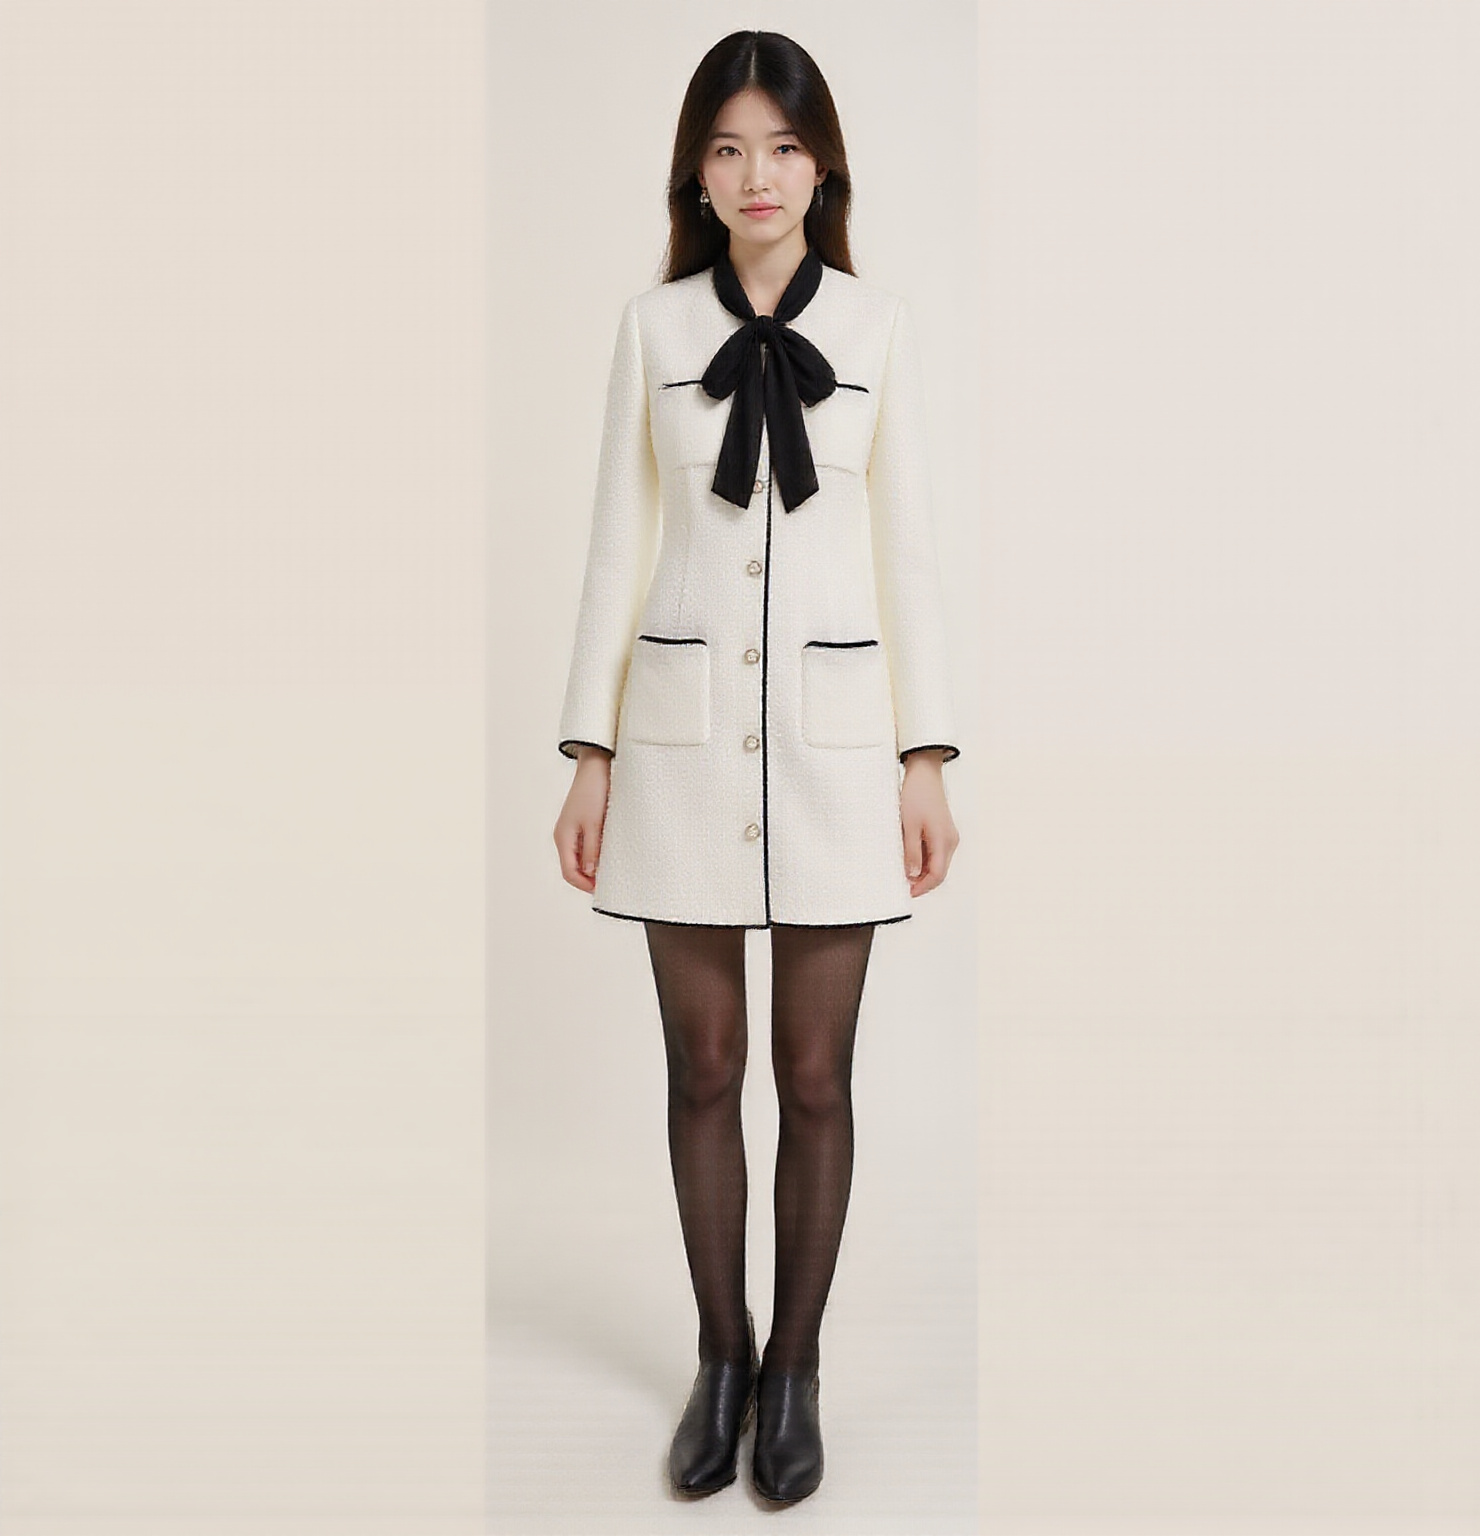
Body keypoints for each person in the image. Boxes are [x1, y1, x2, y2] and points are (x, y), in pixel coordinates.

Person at [551, 29, 961, 1505]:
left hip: (839, 753)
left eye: (781, 147)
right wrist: (589, 749)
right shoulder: (652, 329)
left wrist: (926, 754)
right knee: (704, 1066)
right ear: (697, 174)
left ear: (823, 164)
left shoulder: (881, 329)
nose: (757, 176)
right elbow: (617, 544)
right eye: (727, 150)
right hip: (676, 750)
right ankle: (719, 1359)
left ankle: (796, 1371)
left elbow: (907, 553)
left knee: (816, 1074)